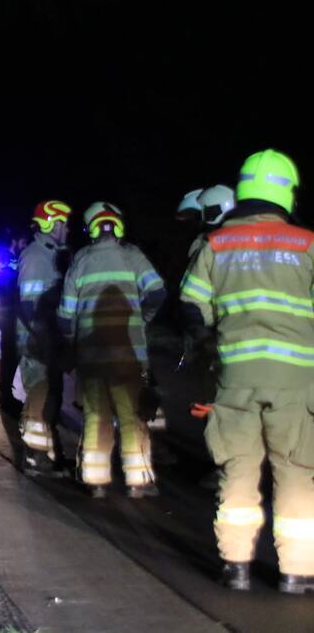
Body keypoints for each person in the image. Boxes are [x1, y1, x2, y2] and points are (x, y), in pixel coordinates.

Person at [181, 148, 314, 594]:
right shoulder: (307, 243)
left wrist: (208, 340)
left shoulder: (217, 243)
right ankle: (296, 572)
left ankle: (235, 567)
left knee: (237, 471)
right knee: (295, 472)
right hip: (296, 381)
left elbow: (191, 305)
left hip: (235, 378)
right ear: (288, 193)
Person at [58, 202, 165, 499]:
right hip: (130, 356)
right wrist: (143, 318)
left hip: (91, 357)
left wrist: (73, 341)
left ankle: (95, 481)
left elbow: (65, 315)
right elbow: (157, 292)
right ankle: (138, 481)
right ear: (118, 225)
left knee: (96, 416)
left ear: (91, 228)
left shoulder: (80, 260)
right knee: (132, 416)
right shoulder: (133, 256)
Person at [17, 200, 72, 476]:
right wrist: (41, 339)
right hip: (37, 340)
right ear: (52, 224)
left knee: (52, 395)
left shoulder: (52, 254)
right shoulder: (36, 257)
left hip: (48, 338)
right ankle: (35, 455)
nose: (67, 229)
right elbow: (29, 305)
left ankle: (50, 454)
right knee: (41, 394)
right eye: (64, 224)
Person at [0, 228, 29, 414]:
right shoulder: (7, 260)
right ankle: (5, 397)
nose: (24, 246)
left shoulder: (10, 259)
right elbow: (9, 286)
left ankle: (6, 395)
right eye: (23, 242)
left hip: (9, 313)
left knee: (11, 356)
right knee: (10, 356)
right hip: (10, 314)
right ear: (15, 241)